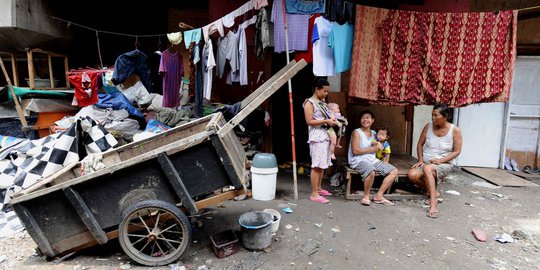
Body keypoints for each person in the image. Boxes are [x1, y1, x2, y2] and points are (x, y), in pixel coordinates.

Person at [407, 103, 463, 218]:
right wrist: (420, 160)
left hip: (444, 164)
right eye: (432, 115)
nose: (433, 118)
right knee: (412, 175)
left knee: (428, 169)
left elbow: (457, 151)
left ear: (445, 116)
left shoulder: (455, 130)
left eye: (436, 115)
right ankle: (435, 193)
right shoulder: (428, 126)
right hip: (427, 163)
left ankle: (433, 203)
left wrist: (440, 160)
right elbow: (420, 144)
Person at [348, 110, 398, 206]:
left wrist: (384, 156)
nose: (365, 120)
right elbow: (355, 151)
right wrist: (373, 149)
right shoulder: (357, 133)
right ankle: (366, 196)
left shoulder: (375, 133)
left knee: (394, 171)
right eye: (363, 117)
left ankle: (379, 196)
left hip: (372, 160)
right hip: (358, 160)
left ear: (372, 120)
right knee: (371, 171)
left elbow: (383, 145)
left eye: (367, 118)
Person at [303, 78, 337, 204]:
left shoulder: (321, 102)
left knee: (322, 165)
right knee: (317, 165)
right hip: (317, 136)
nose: (326, 94)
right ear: (316, 89)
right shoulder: (309, 103)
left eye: (327, 91)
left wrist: (334, 119)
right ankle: (314, 194)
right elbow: (309, 121)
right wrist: (325, 121)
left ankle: (319, 188)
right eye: (324, 91)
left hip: (325, 135)